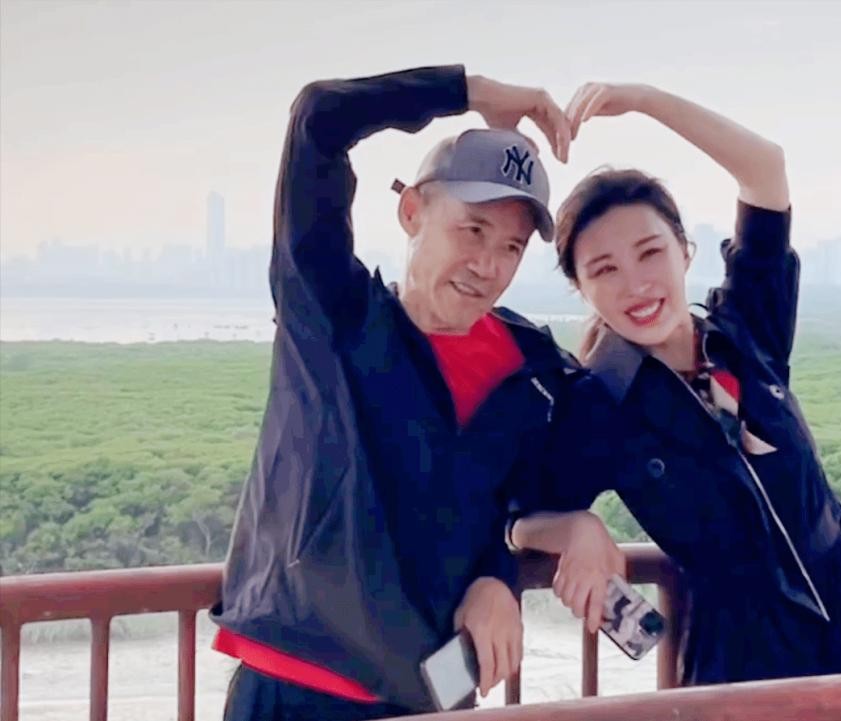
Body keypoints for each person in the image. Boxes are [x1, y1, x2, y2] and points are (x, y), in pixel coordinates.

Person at [510, 82, 841, 685]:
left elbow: (765, 170)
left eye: (650, 253)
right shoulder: (601, 403)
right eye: (605, 269)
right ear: (583, 289)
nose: (636, 284)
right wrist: (576, 528)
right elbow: (517, 515)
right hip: (746, 659)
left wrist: (643, 100)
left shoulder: (746, 330)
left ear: (684, 252)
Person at [210, 65, 579, 720]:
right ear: (412, 211)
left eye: (512, 247)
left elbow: (513, 506)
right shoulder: (332, 315)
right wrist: (472, 92)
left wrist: (500, 576)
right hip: (294, 689)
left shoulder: (531, 373)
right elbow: (320, 116)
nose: (488, 265)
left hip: (429, 699)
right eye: (472, 230)